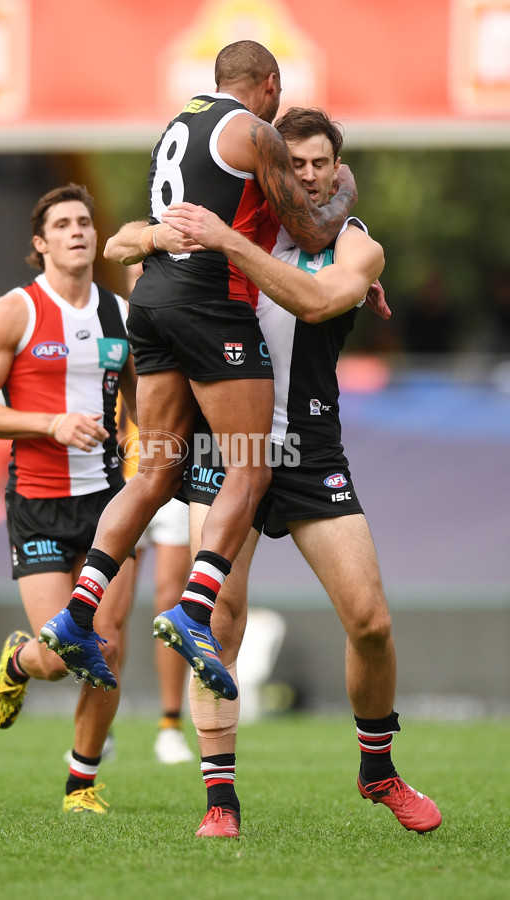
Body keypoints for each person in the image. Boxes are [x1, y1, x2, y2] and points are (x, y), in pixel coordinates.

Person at [38, 40, 359, 702]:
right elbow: (315, 228)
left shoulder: (176, 128)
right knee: (252, 463)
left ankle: (76, 615)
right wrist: (346, 186)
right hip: (213, 306)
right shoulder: (254, 131)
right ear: (268, 85)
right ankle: (195, 605)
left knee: (155, 471)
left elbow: (146, 232)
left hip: (151, 303)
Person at [160, 107, 442, 838]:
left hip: (311, 452)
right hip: (230, 450)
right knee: (218, 620)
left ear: (337, 169)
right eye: (298, 163)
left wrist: (225, 242)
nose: (309, 175)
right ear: (275, 165)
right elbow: (132, 242)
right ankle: (220, 802)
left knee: (371, 621)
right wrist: (170, 234)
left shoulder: (356, 246)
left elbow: (317, 298)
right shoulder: (239, 214)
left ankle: (377, 770)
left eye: (322, 163)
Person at [0, 183, 137, 814]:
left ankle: (81, 783)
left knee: (108, 643)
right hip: (37, 500)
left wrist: (151, 461)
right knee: (63, 656)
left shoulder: (121, 314)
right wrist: (49, 422)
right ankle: (18, 662)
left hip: (110, 503)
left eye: (85, 221)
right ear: (41, 244)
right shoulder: (16, 312)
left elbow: (140, 403)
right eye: (62, 224)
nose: (78, 231)